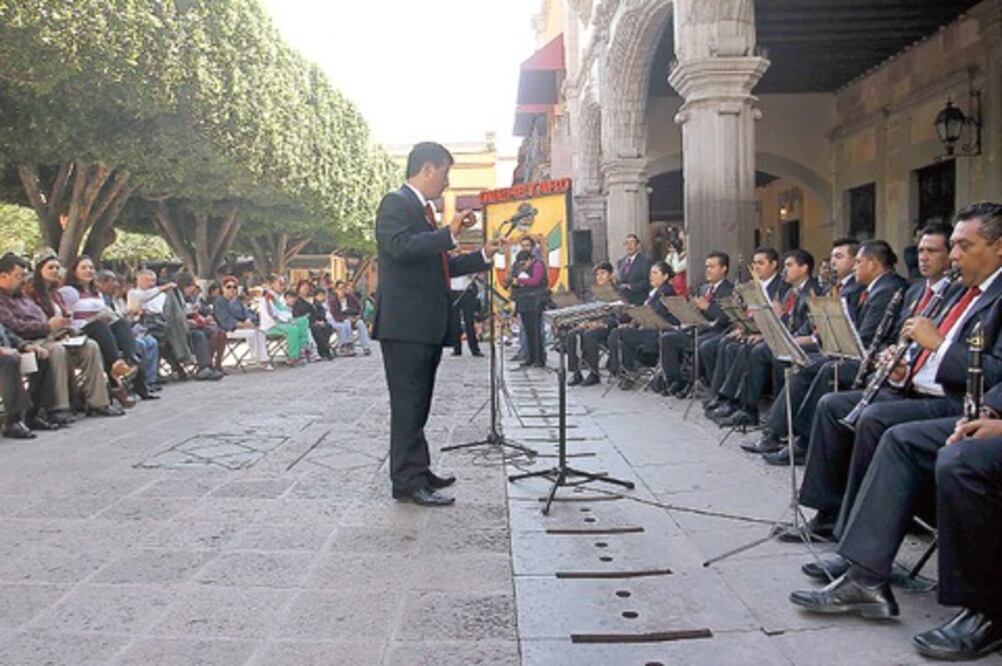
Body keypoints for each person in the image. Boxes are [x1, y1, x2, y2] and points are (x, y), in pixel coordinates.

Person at [796, 203, 1002, 540]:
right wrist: (903, 369)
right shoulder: (963, 292)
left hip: (958, 401)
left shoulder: (983, 293)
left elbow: (988, 371)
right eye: (953, 247)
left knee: (877, 421)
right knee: (833, 405)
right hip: (924, 387)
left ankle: (856, 537)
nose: (953, 257)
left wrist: (936, 344)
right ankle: (827, 515)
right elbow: (930, 353)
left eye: (963, 246)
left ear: (998, 246)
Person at [373, 141, 501, 507]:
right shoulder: (396, 203)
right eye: (445, 173)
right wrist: (448, 234)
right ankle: (407, 481)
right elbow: (399, 247)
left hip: (423, 323)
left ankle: (418, 468)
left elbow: (442, 265)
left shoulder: (423, 211)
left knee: (420, 402)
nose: (447, 183)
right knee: (408, 402)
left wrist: (482, 255)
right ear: (427, 169)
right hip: (405, 324)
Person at [23, 256, 123, 416]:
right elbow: (28, 322)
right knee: (58, 351)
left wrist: (66, 324)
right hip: (42, 338)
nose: (55, 271)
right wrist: (49, 325)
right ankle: (60, 406)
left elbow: (66, 318)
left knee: (91, 346)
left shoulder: (56, 293)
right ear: (39, 270)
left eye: (57, 267)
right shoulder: (31, 293)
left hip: (62, 335)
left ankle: (98, 403)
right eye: (50, 268)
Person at [58, 255, 138, 407]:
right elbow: (66, 315)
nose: (88, 270)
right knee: (99, 327)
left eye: (91, 268)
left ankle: (130, 358)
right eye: (84, 267)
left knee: (120, 324)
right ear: (74, 271)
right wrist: (92, 318)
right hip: (80, 330)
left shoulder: (97, 292)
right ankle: (117, 368)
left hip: (101, 331)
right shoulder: (69, 291)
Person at [658, 251, 735, 397]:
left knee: (700, 344)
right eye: (706, 266)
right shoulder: (703, 288)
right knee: (668, 338)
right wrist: (689, 310)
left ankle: (691, 383)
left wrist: (708, 307)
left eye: (712, 267)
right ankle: (675, 381)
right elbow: (697, 312)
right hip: (697, 328)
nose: (708, 270)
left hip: (717, 332)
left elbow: (728, 318)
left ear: (723, 268)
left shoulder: (730, 290)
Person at [607, 261, 678, 384]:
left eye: (655, 273)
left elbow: (656, 313)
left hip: (657, 332)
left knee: (618, 333)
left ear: (665, 276)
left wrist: (637, 314)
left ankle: (622, 370)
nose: (651, 276)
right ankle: (625, 370)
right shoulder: (655, 292)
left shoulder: (665, 291)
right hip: (648, 329)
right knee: (619, 333)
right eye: (651, 273)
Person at [567, 262, 617, 386]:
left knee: (590, 335)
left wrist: (600, 323)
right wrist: (585, 322)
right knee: (572, 334)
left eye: (603, 273)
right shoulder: (594, 293)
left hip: (609, 325)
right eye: (597, 274)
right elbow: (590, 311)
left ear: (610, 275)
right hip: (593, 323)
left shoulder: (617, 291)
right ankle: (576, 372)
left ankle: (594, 373)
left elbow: (618, 314)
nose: (599, 277)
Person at [212, 276, 272, 370]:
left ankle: (261, 359)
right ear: (223, 288)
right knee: (254, 332)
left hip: (243, 326)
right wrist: (243, 325)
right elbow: (225, 320)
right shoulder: (219, 302)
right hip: (227, 329)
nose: (232, 289)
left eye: (234, 287)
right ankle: (261, 359)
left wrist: (249, 321)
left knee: (260, 331)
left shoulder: (237, 301)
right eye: (228, 287)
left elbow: (248, 312)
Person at [508, 237, 549, 369]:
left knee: (536, 331)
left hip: (535, 301)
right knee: (528, 331)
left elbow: (536, 280)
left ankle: (539, 358)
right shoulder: (518, 266)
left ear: (530, 260)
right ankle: (530, 357)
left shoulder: (538, 264)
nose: (523, 266)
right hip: (524, 301)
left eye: (524, 263)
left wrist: (521, 281)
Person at [292, 281, 334, 360]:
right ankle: (326, 350)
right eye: (303, 286)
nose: (305, 288)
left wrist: (321, 320)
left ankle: (321, 350)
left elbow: (319, 312)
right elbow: (297, 314)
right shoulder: (297, 301)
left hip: (315, 320)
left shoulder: (313, 300)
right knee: (315, 328)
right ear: (299, 288)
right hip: (304, 322)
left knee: (327, 326)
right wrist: (314, 321)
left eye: (307, 286)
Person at [330, 280, 371, 356]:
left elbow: (359, 307)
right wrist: (347, 318)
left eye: (343, 288)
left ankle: (366, 347)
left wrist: (357, 316)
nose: (342, 291)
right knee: (347, 322)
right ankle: (348, 345)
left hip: (353, 318)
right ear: (336, 290)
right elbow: (335, 314)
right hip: (340, 320)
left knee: (361, 323)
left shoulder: (350, 297)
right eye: (340, 289)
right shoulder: (333, 300)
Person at [449, 271, 482, 357]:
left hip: (466, 292)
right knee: (455, 322)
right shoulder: (449, 261)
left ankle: (474, 349)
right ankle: (457, 348)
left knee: (469, 321)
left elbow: (477, 277)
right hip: (453, 292)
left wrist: (471, 274)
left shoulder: (467, 260)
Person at [616, 234, 653, 306]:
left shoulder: (645, 261)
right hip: (624, 301)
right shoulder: (621, 261)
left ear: (638, 245)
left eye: (632, 242)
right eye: (627, 243)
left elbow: (647, 282)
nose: (629, 246)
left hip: (638, 300)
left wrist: (631, 287)